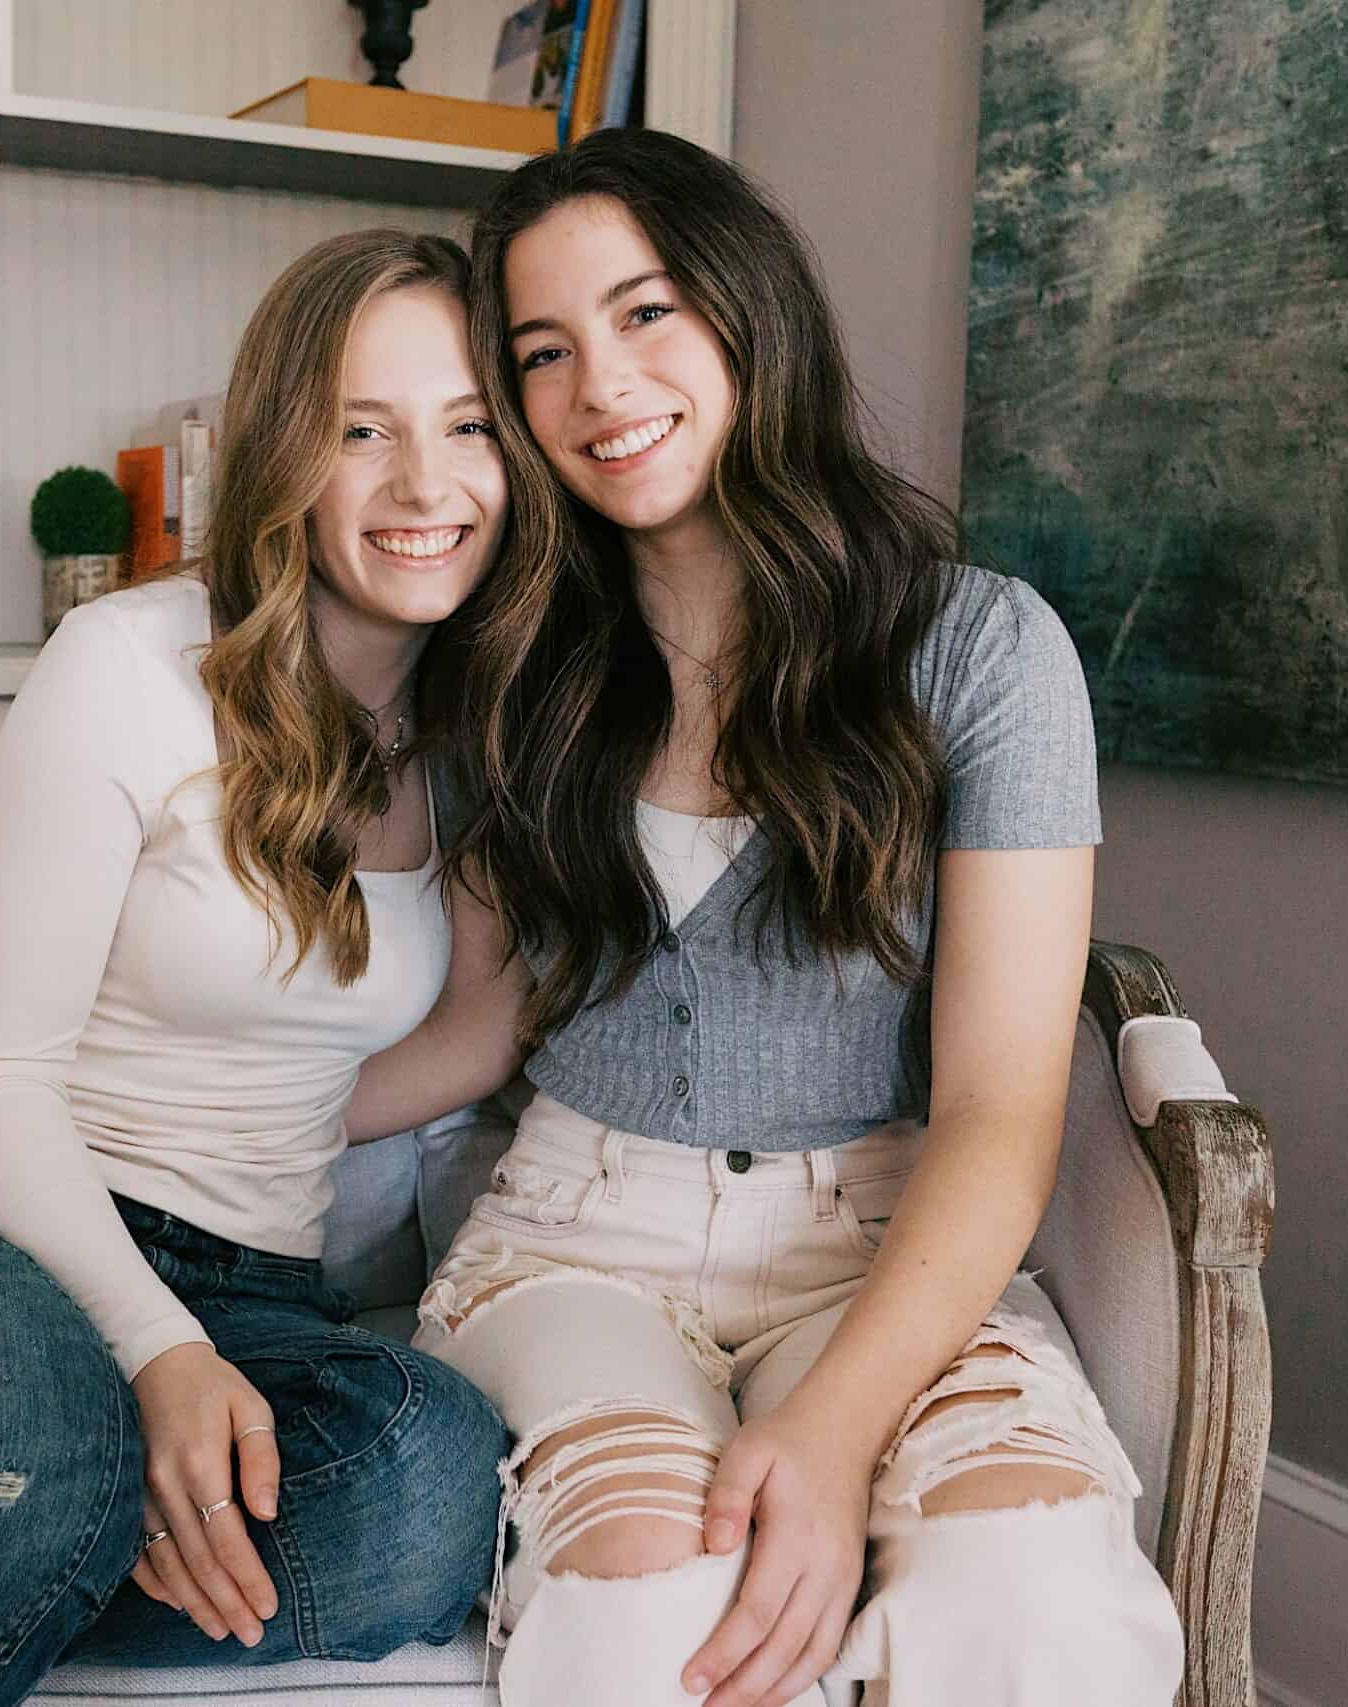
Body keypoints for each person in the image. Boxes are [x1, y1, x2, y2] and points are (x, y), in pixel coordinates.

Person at [346, 132, 1185, 1707]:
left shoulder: (984, 650)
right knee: (649, 1626)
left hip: (879, 1237)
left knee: (1039, 1607)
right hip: (574, 1255)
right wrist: (191, 1117)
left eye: (646, 312)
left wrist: (834, 1426)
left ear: (749, 311)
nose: (601, 386)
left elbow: (1006, 1111)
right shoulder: (512, 671)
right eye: (543, 352)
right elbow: (477, 1026)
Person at [0, 228, 514, 1706]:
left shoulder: (485, 737)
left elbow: (467, 1038)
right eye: (362, 431)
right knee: (25, 1467)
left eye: (468, 429)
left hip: (261, 1284)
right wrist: (156, 1356)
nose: (422, 486)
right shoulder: (130, 664)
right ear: (283, 452)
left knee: (429, 1491)